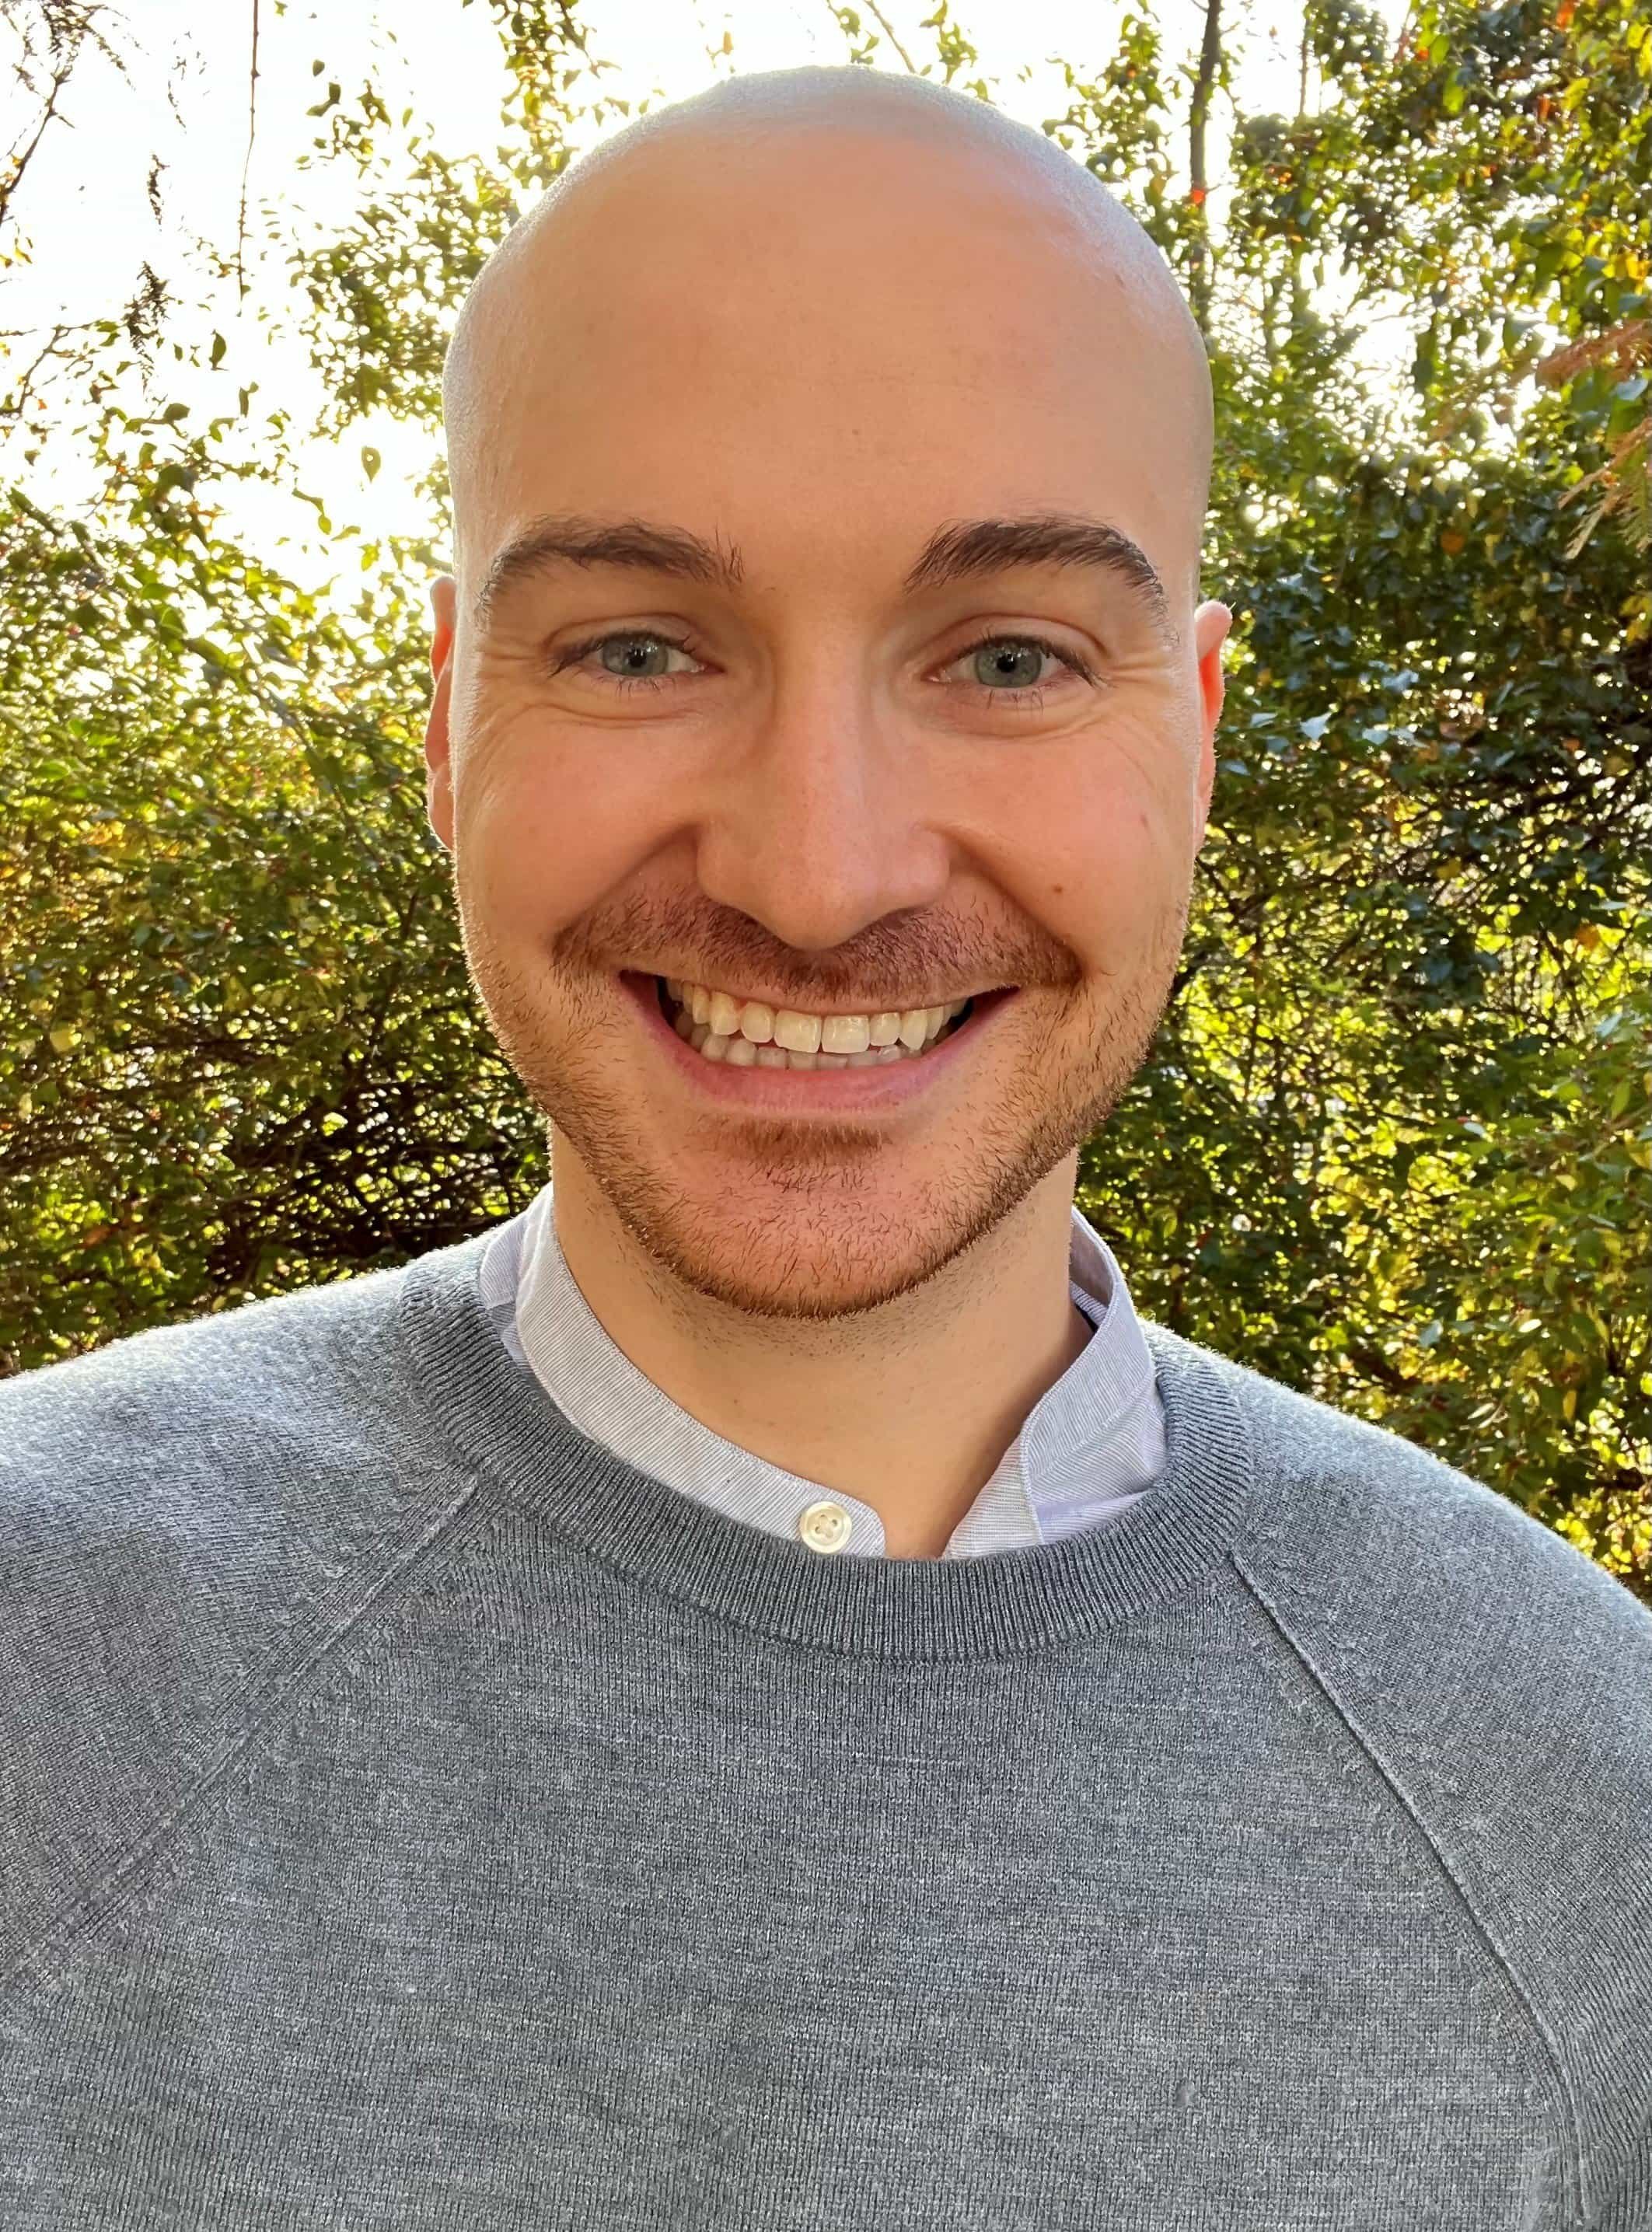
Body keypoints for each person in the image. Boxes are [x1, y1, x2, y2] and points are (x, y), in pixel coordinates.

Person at [2, 64, 1648, 2232]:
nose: (817, 872)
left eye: (1011, 657)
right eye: (639, 647)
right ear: (450, 717)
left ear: (1196, 739)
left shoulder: (1579, 1794)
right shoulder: (41, 1662)